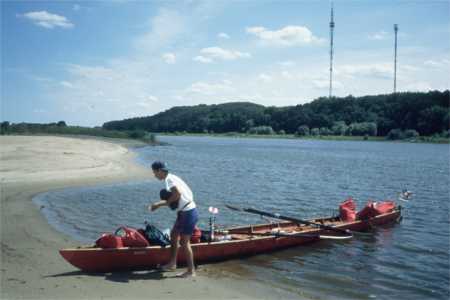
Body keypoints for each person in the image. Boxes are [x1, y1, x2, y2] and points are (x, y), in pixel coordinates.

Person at [148, 161, 198, 278]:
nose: (154, 175)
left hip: (189, 212)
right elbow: (176, 197)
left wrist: (161, 204)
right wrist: (159, 204)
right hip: (183, 212)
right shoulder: (171, 177)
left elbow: (177, 194)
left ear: (160, 171)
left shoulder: (169, 180)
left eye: (154, 172)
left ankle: (191, 271)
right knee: (174, 235)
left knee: (184, 242)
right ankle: (172, 264)